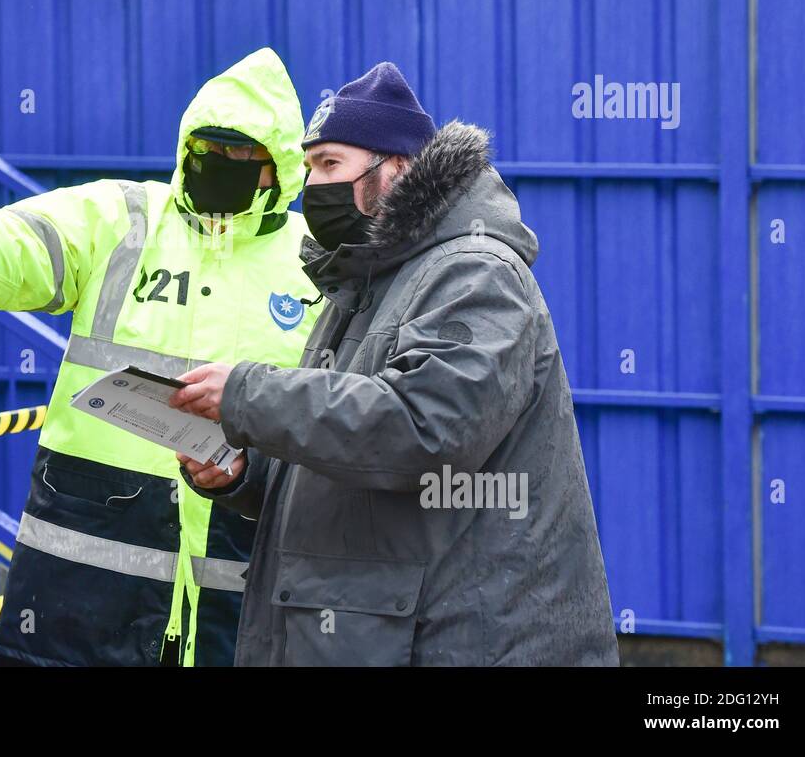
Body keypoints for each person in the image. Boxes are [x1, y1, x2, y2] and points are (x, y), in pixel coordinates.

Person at [0, 48, 321, 666]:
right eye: (211, 151)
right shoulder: (122, 217)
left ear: (281, 168)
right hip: (83, 581)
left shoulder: (316, 260)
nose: (224, 166)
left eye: (245, 156)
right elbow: (20, 247)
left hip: (239, 591)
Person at [172, 62, 619, 666]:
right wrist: (244, 474)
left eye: (331, 164)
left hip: (460, 642)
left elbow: (424, 430)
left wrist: (248, 395)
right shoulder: (366, 281)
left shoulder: (475, 274)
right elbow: (349, 452)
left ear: (397, 169)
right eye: (308, 169)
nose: (313, 188)